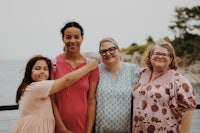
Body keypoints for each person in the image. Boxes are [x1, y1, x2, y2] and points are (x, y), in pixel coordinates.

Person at [11, 55, 98, 133]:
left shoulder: (40, 90)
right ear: (29, 72)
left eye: (45, 69)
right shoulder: (36, 88)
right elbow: (67, 81)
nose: (42, 72)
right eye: (37, 68)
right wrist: (89, 67)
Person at [132, 40, 197, 133]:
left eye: (164, 54)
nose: (160, 57)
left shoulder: (179, 79)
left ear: (171, 59)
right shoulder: (141, 74)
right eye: (156, 53)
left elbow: (188, 111)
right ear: (150, 56)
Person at [52, 21, 99, 133]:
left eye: (76, 37)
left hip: (82, 127)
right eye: (68, 37)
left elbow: (91, 101)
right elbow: (51, 101)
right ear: (63, 39)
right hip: (57, 127)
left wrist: (88, 131)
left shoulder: (91, 66)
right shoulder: (53, 65)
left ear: (82, 38)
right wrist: (61, 129)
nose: (72, 41)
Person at [95, 37, 140, 133]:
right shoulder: (96, 71)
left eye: (111, 49)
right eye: (103, 51)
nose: (107, 53)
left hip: (126, 130)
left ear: (118, 49)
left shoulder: (134, 70)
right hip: (100, 130)